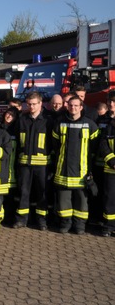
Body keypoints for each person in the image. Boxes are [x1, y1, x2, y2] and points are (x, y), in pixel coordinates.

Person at [52, 95, 99, 234]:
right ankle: (65, 224)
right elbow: (55, 145)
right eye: (70, 105)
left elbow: (95, 147)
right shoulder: (59, 123)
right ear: (67, 106)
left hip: (82, 171)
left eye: (76, 105)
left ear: (81, 107)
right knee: (63, 201)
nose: (73, 108)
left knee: (81, 201)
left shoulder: (90, 124)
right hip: (63, 170)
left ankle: (79, 226)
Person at [15, 91, 52, 230]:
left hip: (42, 165)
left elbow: (52, 143)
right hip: (25, 164)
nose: (31, 107)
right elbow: (18, 142)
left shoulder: (48, 121)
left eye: (34, 104)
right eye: (29, 104)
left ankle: (42, 221)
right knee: (24, 192)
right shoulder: (22, 119)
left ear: (40, 103)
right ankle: (22, 220)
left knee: (42, 193)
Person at [98, 116, 115, 237]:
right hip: (111, 170)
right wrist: (113, 162)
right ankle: (109, 226)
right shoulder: (110, 127)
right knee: (110, 199)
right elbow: (103, 145)